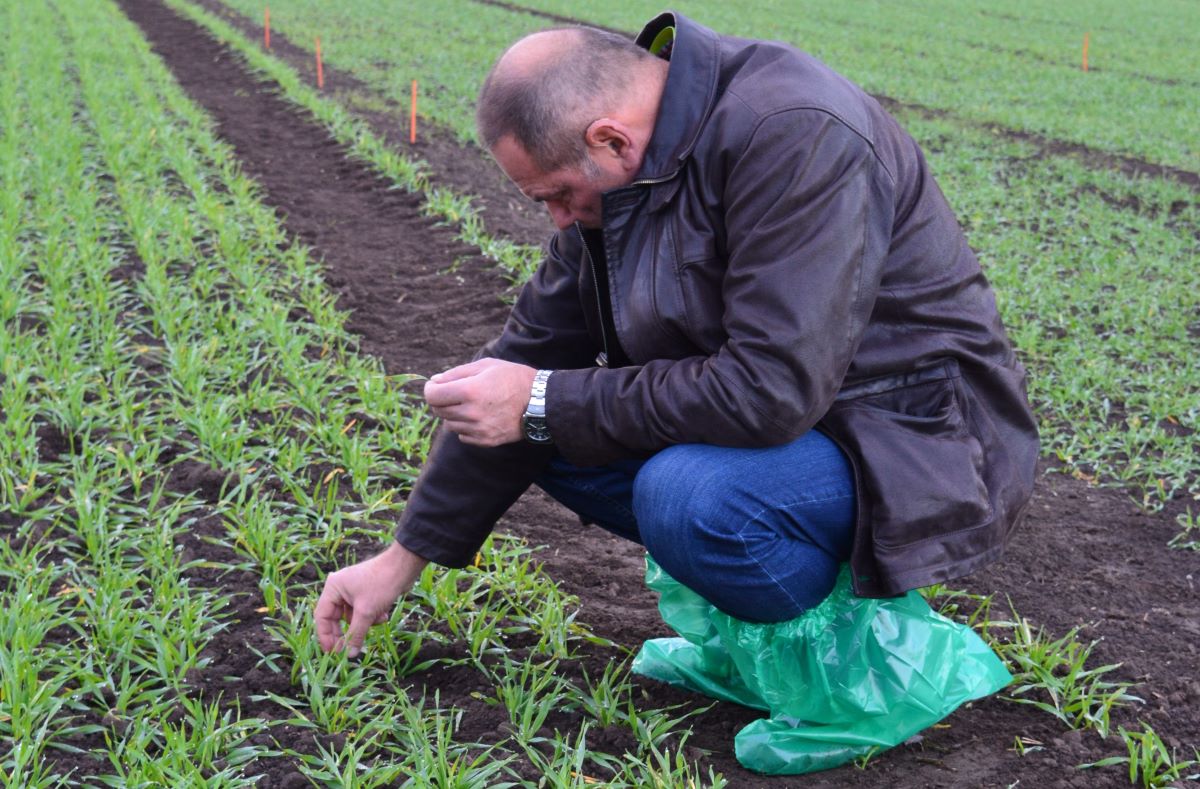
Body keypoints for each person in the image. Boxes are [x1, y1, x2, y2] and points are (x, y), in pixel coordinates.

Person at [315, 12, 1039, 660]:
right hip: (803, 421)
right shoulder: (626, 176)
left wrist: (541, 401)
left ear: (611, 138)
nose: (559, 221)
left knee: (689, 495)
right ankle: (754, 643)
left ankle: (852, 655)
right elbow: (532, 355)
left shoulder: (793, 131)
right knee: (525, 423)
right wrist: (401, 557)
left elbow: (771, 390)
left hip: (907, 433)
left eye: (559, 195)